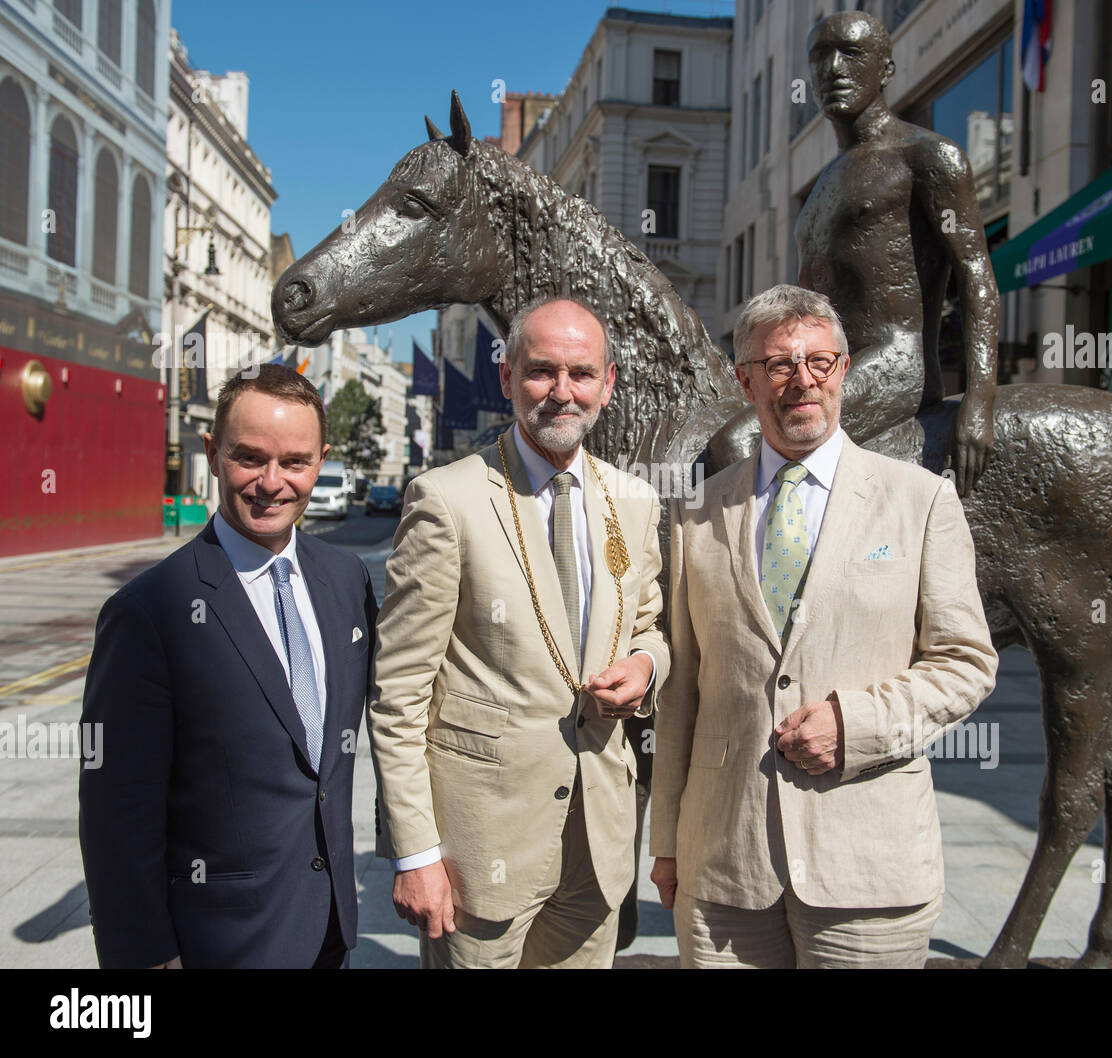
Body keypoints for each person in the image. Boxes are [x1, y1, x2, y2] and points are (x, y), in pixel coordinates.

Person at [650, 285, 998, 969]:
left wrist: (856, 724)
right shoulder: (696, 514)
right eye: (778, 364)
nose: (800, 380)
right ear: (747, 380)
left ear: (842, 370)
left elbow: (966, 663)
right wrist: (667, 841)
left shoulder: (921, 502)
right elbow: (682, 693)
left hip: (867, 873)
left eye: (819, 361)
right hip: (724, 872)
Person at [368, 296, 670, 969]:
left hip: (598, 846)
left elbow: (649, 624)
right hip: (481, 853)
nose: (562, 393)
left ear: (608, 384)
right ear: (506, 378)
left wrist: (648, 665)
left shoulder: (636, 501)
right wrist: (415, 852)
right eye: (541, 372)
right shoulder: (446, 500)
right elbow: (399, 695)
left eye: (582, 374)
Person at [79, 365, 378, 968]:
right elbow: (117, 810)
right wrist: (143, 954)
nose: (272, 483)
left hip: (329, 930)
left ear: (321, 461)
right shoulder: (147, 611)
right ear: (213, 454)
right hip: (218, 945)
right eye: (249, 458)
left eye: (295, 462)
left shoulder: (347, 579)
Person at [709, 10, 998, 495]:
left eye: (851, 54)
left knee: (737, 444)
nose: (834, 69)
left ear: (885, 68)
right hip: (823, 361)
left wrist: (981, 397)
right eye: (820, 57)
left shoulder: (928, 157)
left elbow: (977, 278)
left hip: (896, 361)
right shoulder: (824, 181)